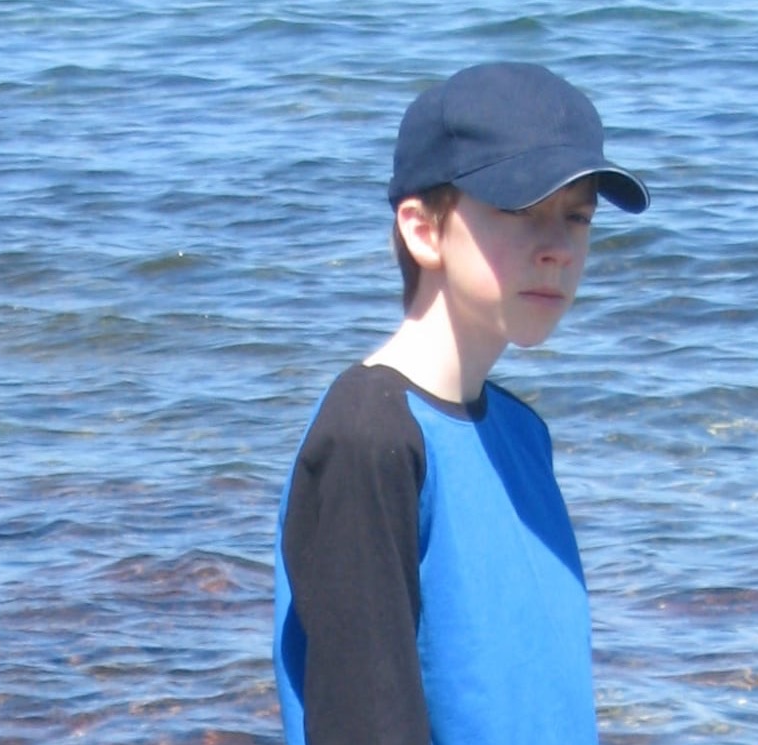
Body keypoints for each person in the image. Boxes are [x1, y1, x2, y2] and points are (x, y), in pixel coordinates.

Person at [272, 62, 650, 745]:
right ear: (422, 229)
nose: (557, 249)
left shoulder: (521, 432)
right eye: (520, 211)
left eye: (577, 218)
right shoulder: (369, 437)